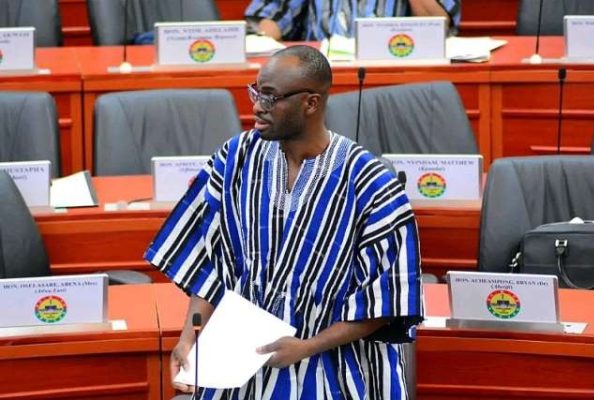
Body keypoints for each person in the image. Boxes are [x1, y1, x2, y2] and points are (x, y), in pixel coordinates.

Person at [144, 44, 423, 399]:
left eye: (270, 97)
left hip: (335, 366)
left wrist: (306, 347)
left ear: (311, 103)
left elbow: (385, 301)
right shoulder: (235, 158)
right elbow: (209, 262)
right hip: (240, 362)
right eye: (256, 92)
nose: (257, 106)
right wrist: (191, 337)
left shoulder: (371, 183)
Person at [245, 0, 461, 41]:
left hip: (391, 69)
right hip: (317, 73)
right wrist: (263, 40)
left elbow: (436, 28)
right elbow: (270, 19)